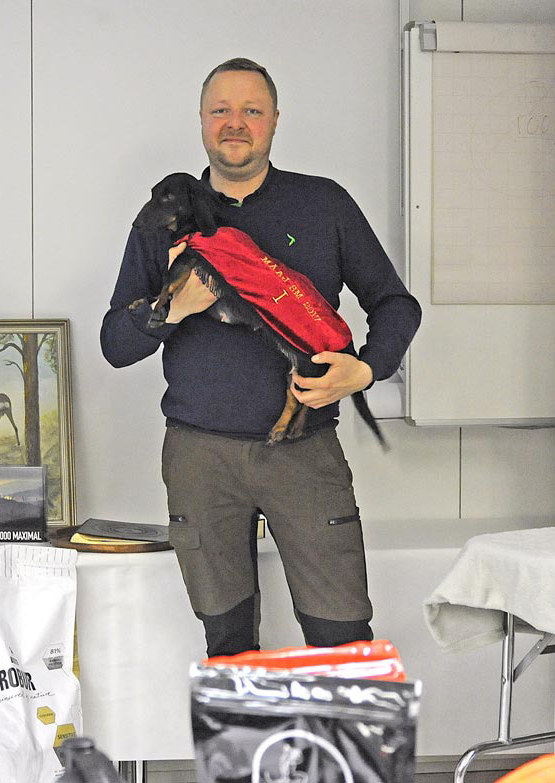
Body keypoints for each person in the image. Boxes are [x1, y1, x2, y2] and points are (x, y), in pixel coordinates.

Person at [100, 59, 421, 657]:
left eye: (251, 110)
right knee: (227, 644)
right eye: (220, 110)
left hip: (304, 452)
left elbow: (396, 304)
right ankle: (242, 727)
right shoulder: (166, 217)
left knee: (341, 639)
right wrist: (174, 309)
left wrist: (366, 369)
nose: (235, 123)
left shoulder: (323, 204)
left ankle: (340, 728)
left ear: (275, 120)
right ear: (202, 120)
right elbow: (115, 344)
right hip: (200, 457)